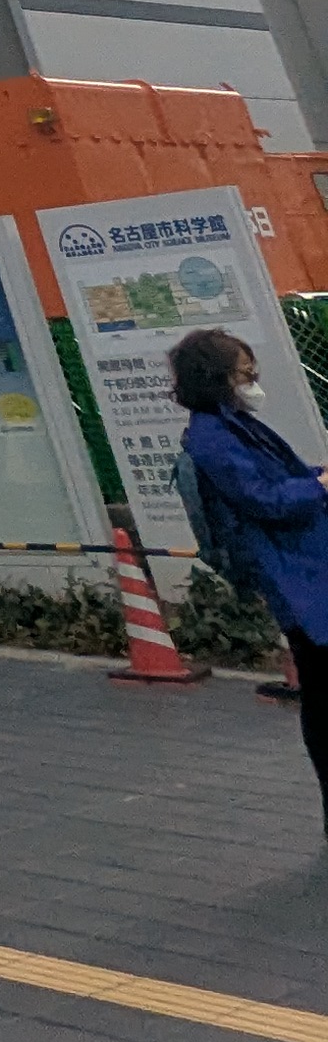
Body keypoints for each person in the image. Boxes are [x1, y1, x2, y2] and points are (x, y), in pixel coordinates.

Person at [175, 328, 328, 822]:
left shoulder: (233, 425)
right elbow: (264, 499)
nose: (253, 381)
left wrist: (315, 477)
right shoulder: (213, 438)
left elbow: (280, 480)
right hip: (295, 576)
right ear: (217, 377)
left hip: (305, 568)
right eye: (244, 373)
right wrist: (321, 487)